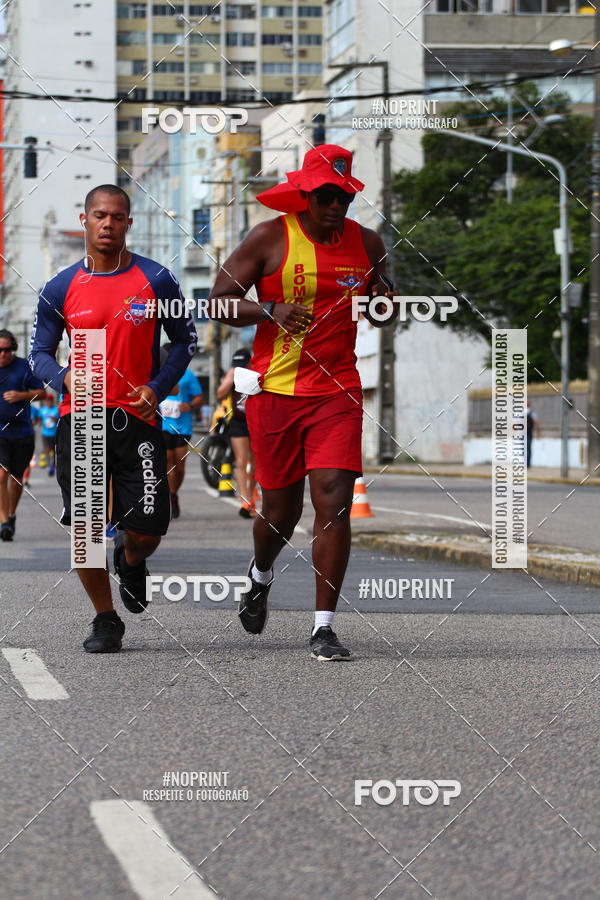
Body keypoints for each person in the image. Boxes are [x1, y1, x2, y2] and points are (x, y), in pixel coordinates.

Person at [208, 144, 397, 660]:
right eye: (326, 196)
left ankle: (323, 627)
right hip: (275, 393)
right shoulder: (270, 236)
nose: (336, 205)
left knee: (334, 501)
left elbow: (383, 300)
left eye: (344, 196)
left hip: (337, 390)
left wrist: (382, 301)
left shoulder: (368, 242)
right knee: (279, 512)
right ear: (306, 195)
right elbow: (218, 299)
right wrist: (269, 309)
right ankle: (260, 576)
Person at [30, 184, 197, 653]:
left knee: (148, 530)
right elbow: (39, 352)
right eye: (100, 215)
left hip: (137, 419)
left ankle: (130, 557)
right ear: (85, 220)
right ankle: (105, 618)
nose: (108, 223)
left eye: (117, 216)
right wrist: (63, 378)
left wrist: (157, 387)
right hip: (79, 419)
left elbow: (185, 341)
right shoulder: (60, 286)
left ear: (129, 222)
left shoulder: (156, 278)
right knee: (84, 527)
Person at [0, 329, 45, 540]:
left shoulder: (23, 367)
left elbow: (42, 392)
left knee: (17, 479)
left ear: (13, 349)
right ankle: (4, 522)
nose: (2, 354)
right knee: (1, 475)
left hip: (22, 432)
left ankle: (11, 514)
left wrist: (22, 395)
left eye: (7, 350)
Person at [217, 347, 257, 518]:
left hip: (255, 421)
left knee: (255, 463)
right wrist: (231, 377)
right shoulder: (233, 374)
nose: (241, 367)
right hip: (238, 422)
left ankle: (251, 496)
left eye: (243, 365)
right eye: (237, 365)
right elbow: (220, 394)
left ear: (250, 362)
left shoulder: (256, 371)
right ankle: (245, 501)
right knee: (241, 462)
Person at [159, 366, 203, 518]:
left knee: (179, 466)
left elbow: (199, 397)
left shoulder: (188, 375)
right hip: (163, 425)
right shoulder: (158, 373)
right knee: (168, 462)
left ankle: (174, 493)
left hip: (182, 427)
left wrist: (189, 405)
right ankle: (169, 497)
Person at [39, 393, 60, 476]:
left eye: (50, 400)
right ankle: (49, 467)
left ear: (52, 401)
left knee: (54, 451)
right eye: (48, 400)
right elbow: (40, 418)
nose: (49, 402)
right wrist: (40, 423)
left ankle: (52, 465)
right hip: (45, 433)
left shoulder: (56, 409)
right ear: (46, 401)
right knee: (47, 450)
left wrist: (54, 418)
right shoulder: (42, 410)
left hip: (54, 433)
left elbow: (59, 419)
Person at [526, 403, 541, 468]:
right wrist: (538, 433)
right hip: (528, 434)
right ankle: (527, 463)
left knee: (526, 448)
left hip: (527, 434)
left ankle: (527, 463)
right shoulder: (532, 413)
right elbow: (536, 423)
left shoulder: (530, 413)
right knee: (528, 448)